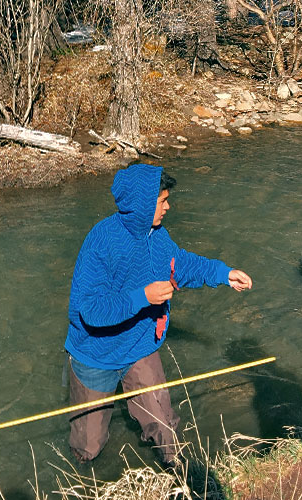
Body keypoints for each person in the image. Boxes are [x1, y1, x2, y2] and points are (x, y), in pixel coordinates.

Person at [64, 163, 253, 466]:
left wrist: (223, 273)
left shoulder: (158, 237)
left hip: (140, 347)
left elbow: (183, 266)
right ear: (141, 205)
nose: (168, 206)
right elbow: (90, 310)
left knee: (165, 427)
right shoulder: (101, 242)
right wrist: (143, 297)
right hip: (95, 355)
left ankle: (179, 474)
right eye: (162, 200)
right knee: (88, 447)